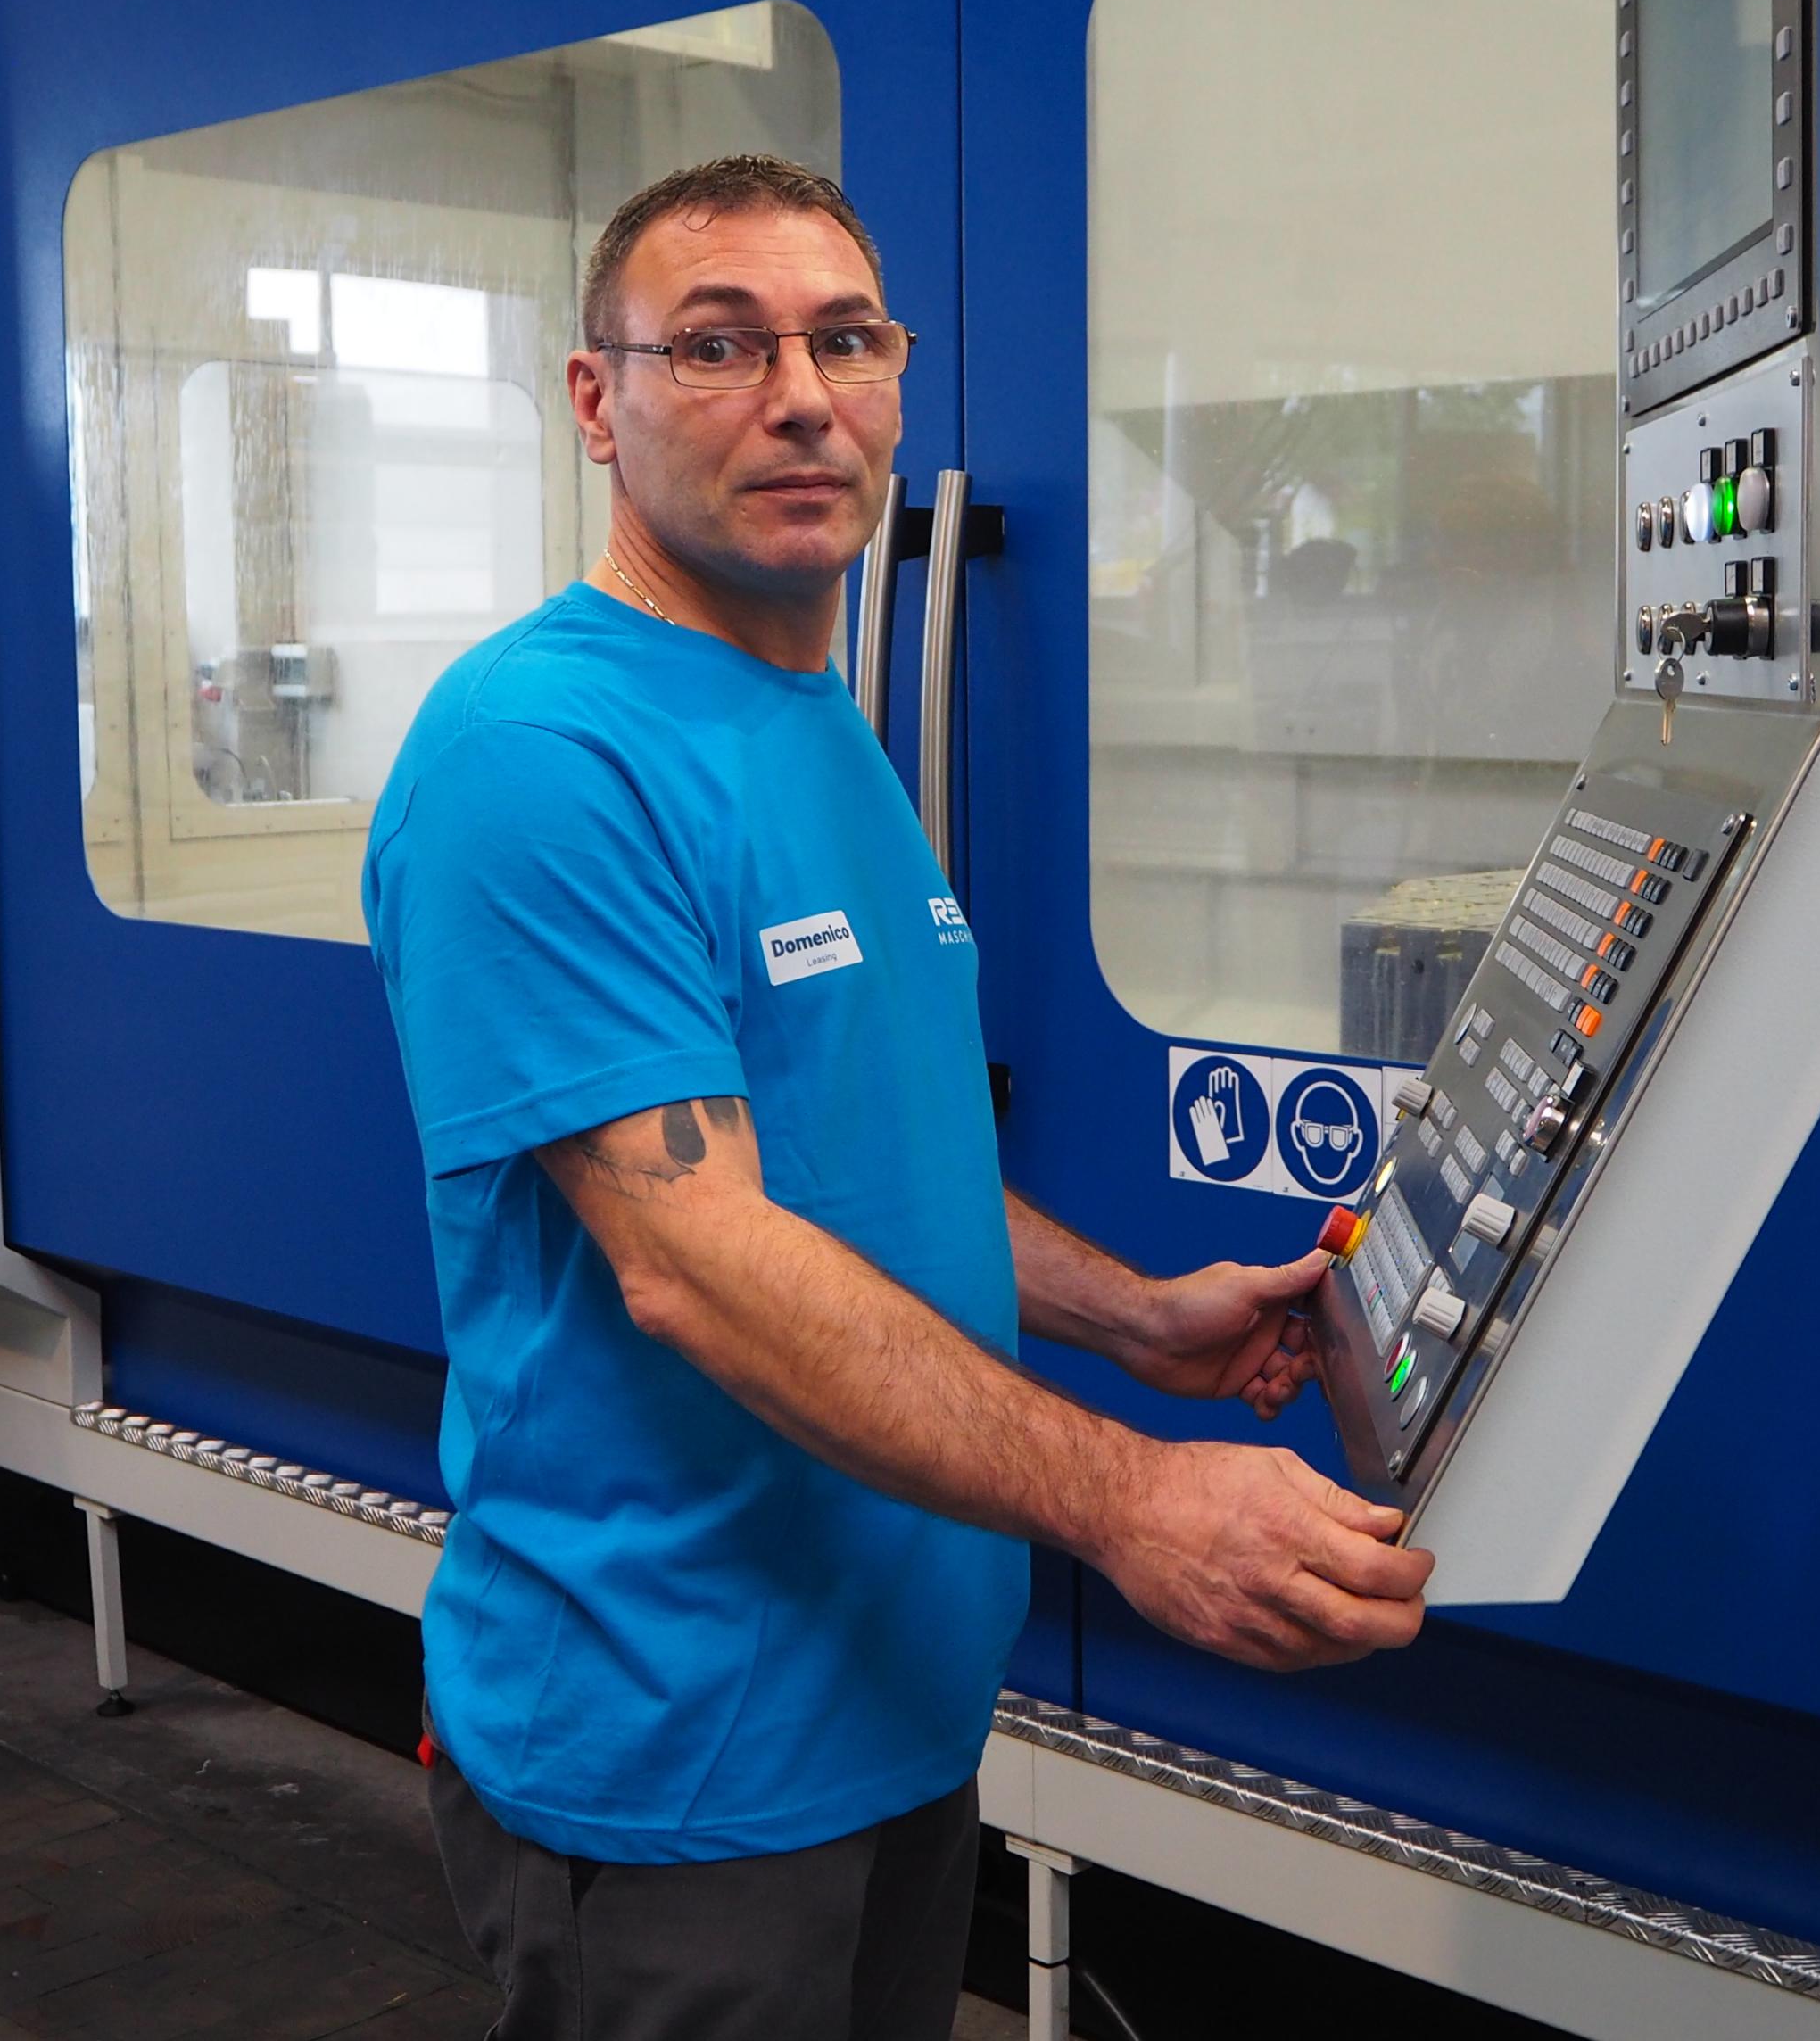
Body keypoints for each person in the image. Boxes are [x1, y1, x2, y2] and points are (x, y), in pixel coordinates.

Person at [361, 155, 1435, 2041]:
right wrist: (1132, 1501)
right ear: (596, 401)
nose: (801, 396)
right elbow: (698, 1262)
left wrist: (1134, 1319)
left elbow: (857, 1164)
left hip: (888, 1703)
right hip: (679, 1752)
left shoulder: (813, 720)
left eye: (845, 340)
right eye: (718, 345)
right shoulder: (539, 754)